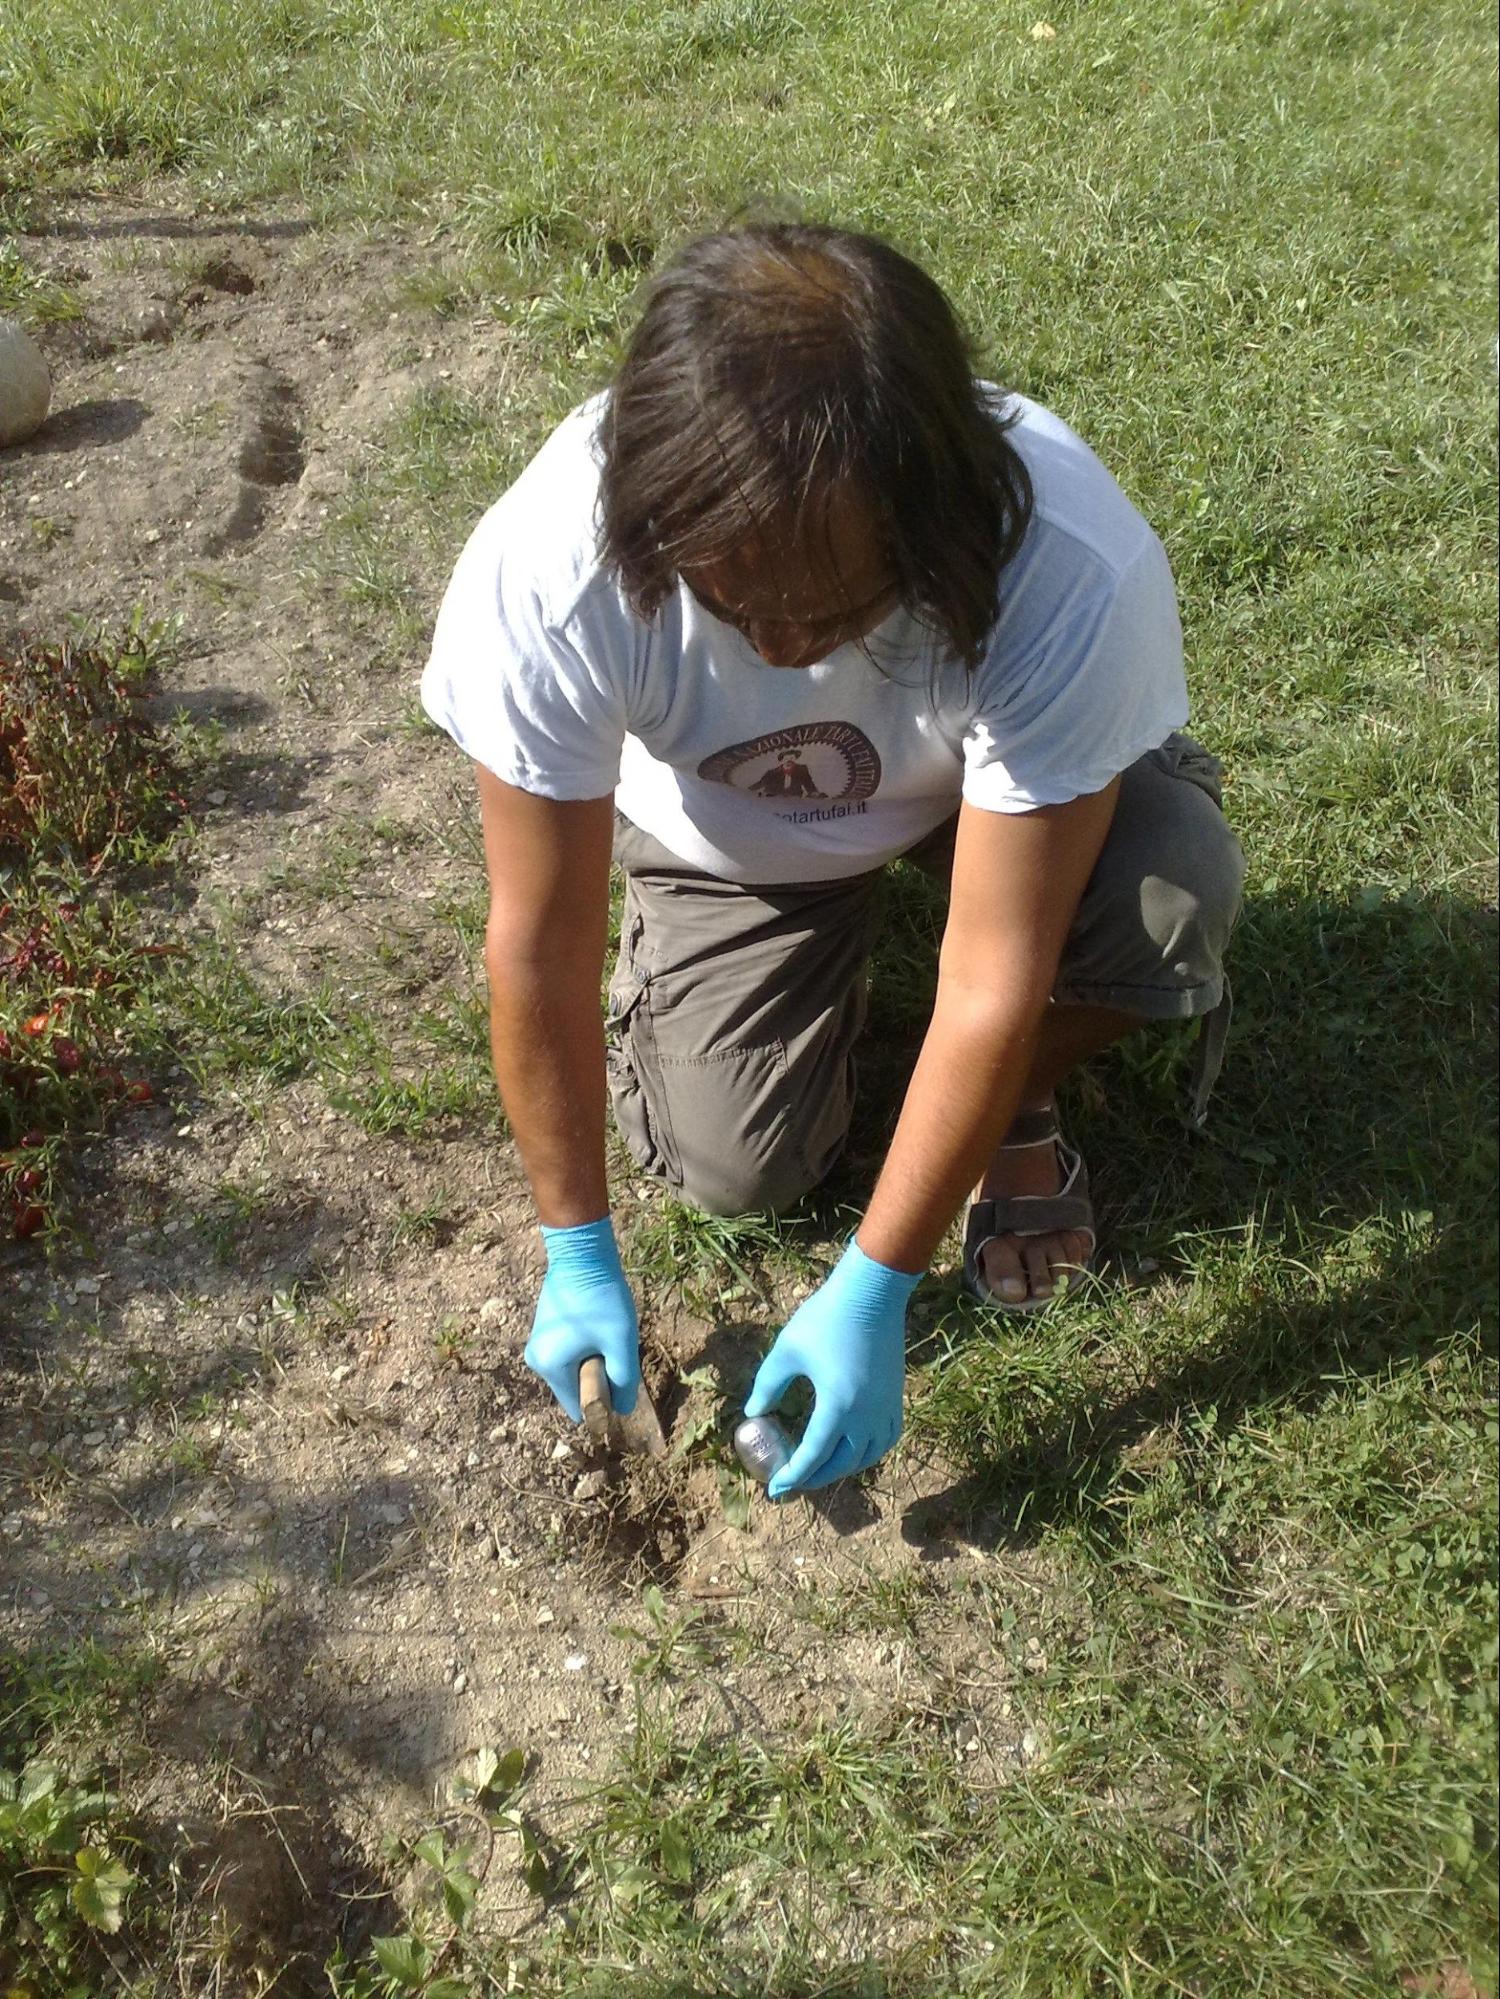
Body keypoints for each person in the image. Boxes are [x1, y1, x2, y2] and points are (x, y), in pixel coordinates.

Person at [421, 223, 1244, 1499]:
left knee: (1169, 890)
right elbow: (537, 937)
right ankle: (839, 1023)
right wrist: (576, 1244)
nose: (792, 644)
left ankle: (1010, 1102)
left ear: (938, 509)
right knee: (738, 1164)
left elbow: (996, 964)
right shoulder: (552, 565)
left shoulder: (1067, 562)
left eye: (840, 605)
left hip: (972, 803)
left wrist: (878, 1283)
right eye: (740, 606)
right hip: (725, 832)